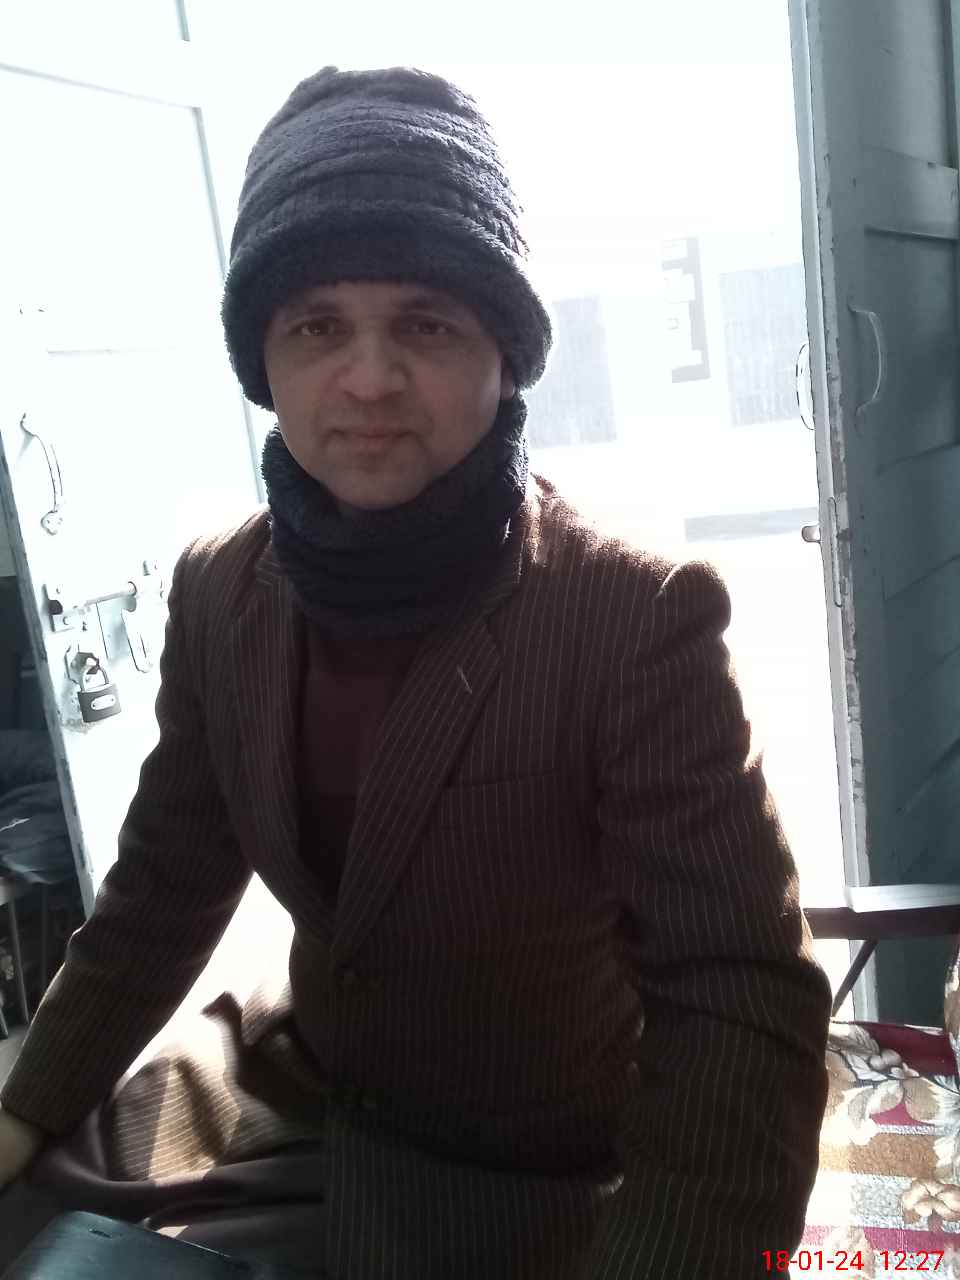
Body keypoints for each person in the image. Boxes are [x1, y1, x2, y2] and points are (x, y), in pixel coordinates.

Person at [0, 65, 832, 1278]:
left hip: (543, 1156)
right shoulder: (221, 590)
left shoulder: (628, 617)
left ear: (506, 351)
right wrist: (25, 1105)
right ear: (263, 358)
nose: (370, 379)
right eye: (317, 325)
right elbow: (163, 885)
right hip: (293, 1086)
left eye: (427, 322)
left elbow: (738, 999)